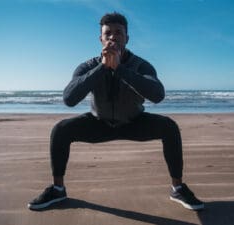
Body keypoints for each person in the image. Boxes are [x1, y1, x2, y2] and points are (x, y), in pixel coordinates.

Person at [28, 12, 204, 211]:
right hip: (99, 123)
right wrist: (102, 68)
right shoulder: (87, 66)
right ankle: (58, 189)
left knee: (169, 127)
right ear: (101, 39)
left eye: (118, 33)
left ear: (127, 38)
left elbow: (157, 95)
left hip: (134, 122)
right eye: (108, 33)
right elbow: (69, 99)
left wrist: (120, 68)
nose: (113, 37)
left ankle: (178, 188)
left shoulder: (141, 65)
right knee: (61, 129)